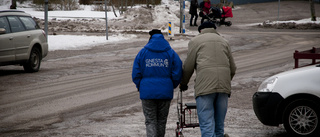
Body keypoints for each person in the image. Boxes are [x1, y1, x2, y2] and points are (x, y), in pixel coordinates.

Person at [180, 22, 237, 137]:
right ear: (214, 29)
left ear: (200, 30)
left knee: (207, 125)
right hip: (223, 88)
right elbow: (233, 68)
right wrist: (225, 81)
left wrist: (183, 83)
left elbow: (188, 66)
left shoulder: (195, 41)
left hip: (205, 88)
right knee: (219, 126)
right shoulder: (224, 42)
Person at [132, 29, 183, 137]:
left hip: (147, 92)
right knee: (161, 120)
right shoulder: (170, 52)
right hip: (165, 92)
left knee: (150, 120)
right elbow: (178, 70)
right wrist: (171, 84)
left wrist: (140, 86)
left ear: (150, 38)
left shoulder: (143, 53)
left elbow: (136, 73)